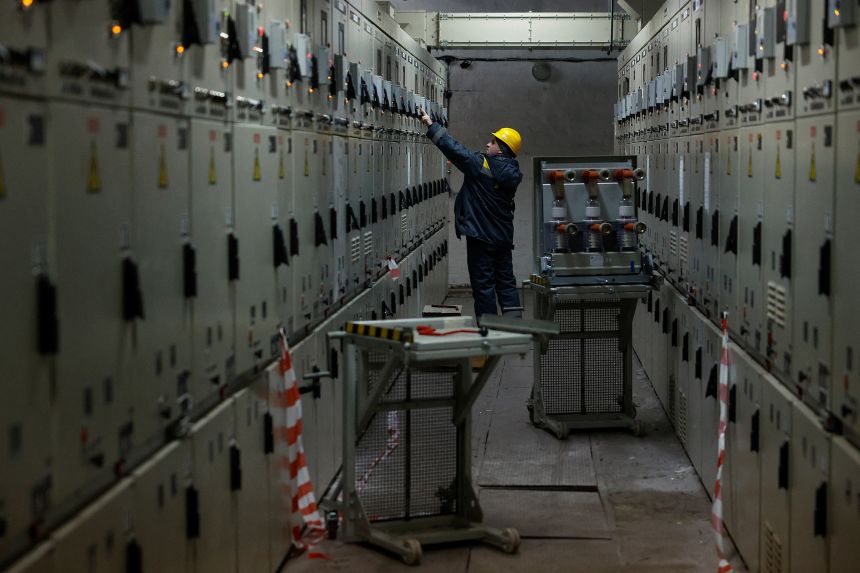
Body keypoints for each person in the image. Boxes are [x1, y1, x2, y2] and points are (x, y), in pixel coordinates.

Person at [418, 106, 523, 319]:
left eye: (493, 142)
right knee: (506, 283)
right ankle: (515, 328)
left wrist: (430, 124)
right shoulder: (513, 172)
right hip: (503, 238)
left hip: (481, 238)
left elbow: (455, 149)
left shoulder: (481, 165)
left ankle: (489, 330)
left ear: (501, 150)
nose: (488, 144)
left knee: (484, 286)